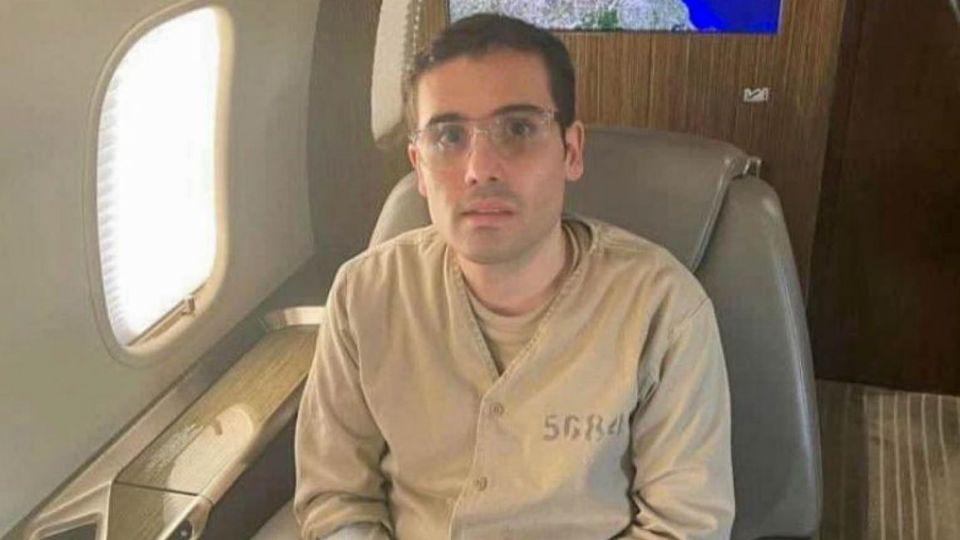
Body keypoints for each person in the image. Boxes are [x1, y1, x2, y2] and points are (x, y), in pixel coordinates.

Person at [294, 13, 734, 540]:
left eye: (519, 129)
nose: (480, 168)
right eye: (448, 136)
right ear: (418, 167)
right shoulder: (363, 296)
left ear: (572, 151)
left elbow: (684, 525)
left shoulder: (663, 308)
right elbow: (336, 497)